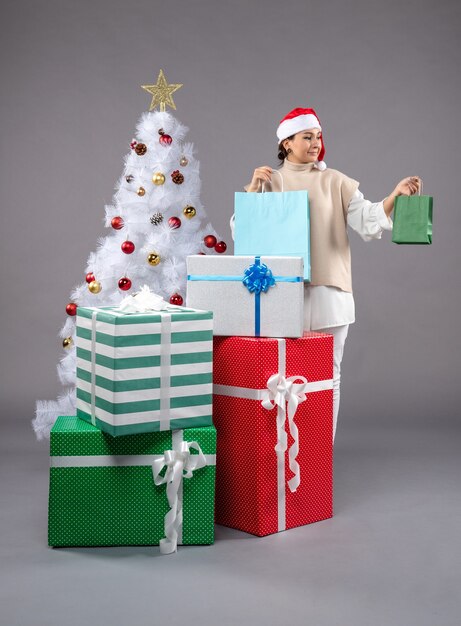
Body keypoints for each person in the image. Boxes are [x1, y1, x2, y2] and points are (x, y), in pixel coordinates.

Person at [230, 107, 421, 439]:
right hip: (280, 294)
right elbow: (242, 235)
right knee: (278, 376)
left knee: (327, 378)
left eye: (318, 136)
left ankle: (320, 458)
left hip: (330, 294)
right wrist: (251, 192)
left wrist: (394, 196)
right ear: (286, 142)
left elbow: (368, 219)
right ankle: (280, 455)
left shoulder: (336, 181)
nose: (316, 142)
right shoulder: (268, 182)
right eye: (307, 136)